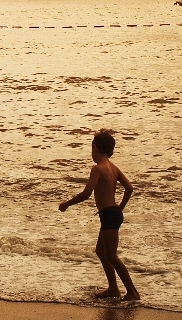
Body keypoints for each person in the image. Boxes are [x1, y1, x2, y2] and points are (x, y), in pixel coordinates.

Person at [59, 129, 140, 301]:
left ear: (95, 148)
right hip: (112, 213)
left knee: (111, 255)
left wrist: (67, 204)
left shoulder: (98, 169)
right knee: (101, 251)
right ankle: (113, 288)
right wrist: (120, 208)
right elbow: (130, 188)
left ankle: (132, 292)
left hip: (109, 215)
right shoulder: (113, 167)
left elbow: (87, 193)